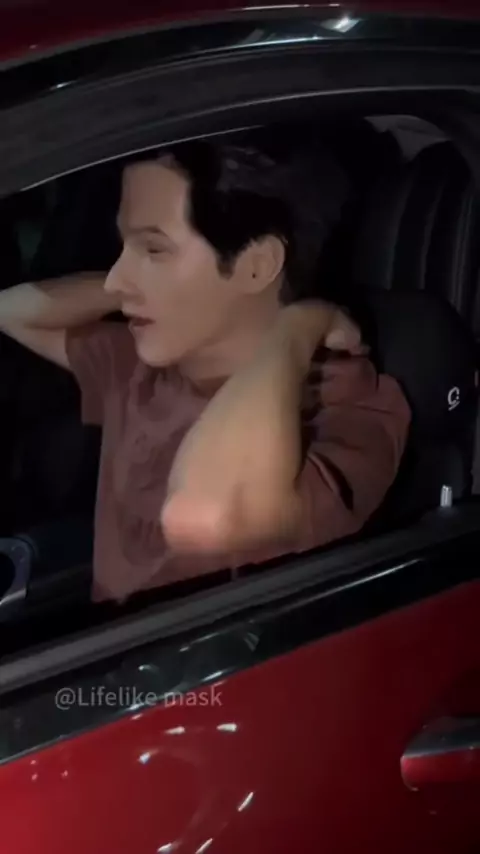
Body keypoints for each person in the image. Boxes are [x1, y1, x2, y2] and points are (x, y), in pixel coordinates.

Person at [0, 131, 410, 604]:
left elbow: (203, 515)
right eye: (124, 247)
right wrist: (141, 289)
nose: (114, 279)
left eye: (154, 250)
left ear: (256, 266)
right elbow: (12, 312)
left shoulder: (346, 408)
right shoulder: (142, 363)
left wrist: (300, 324)